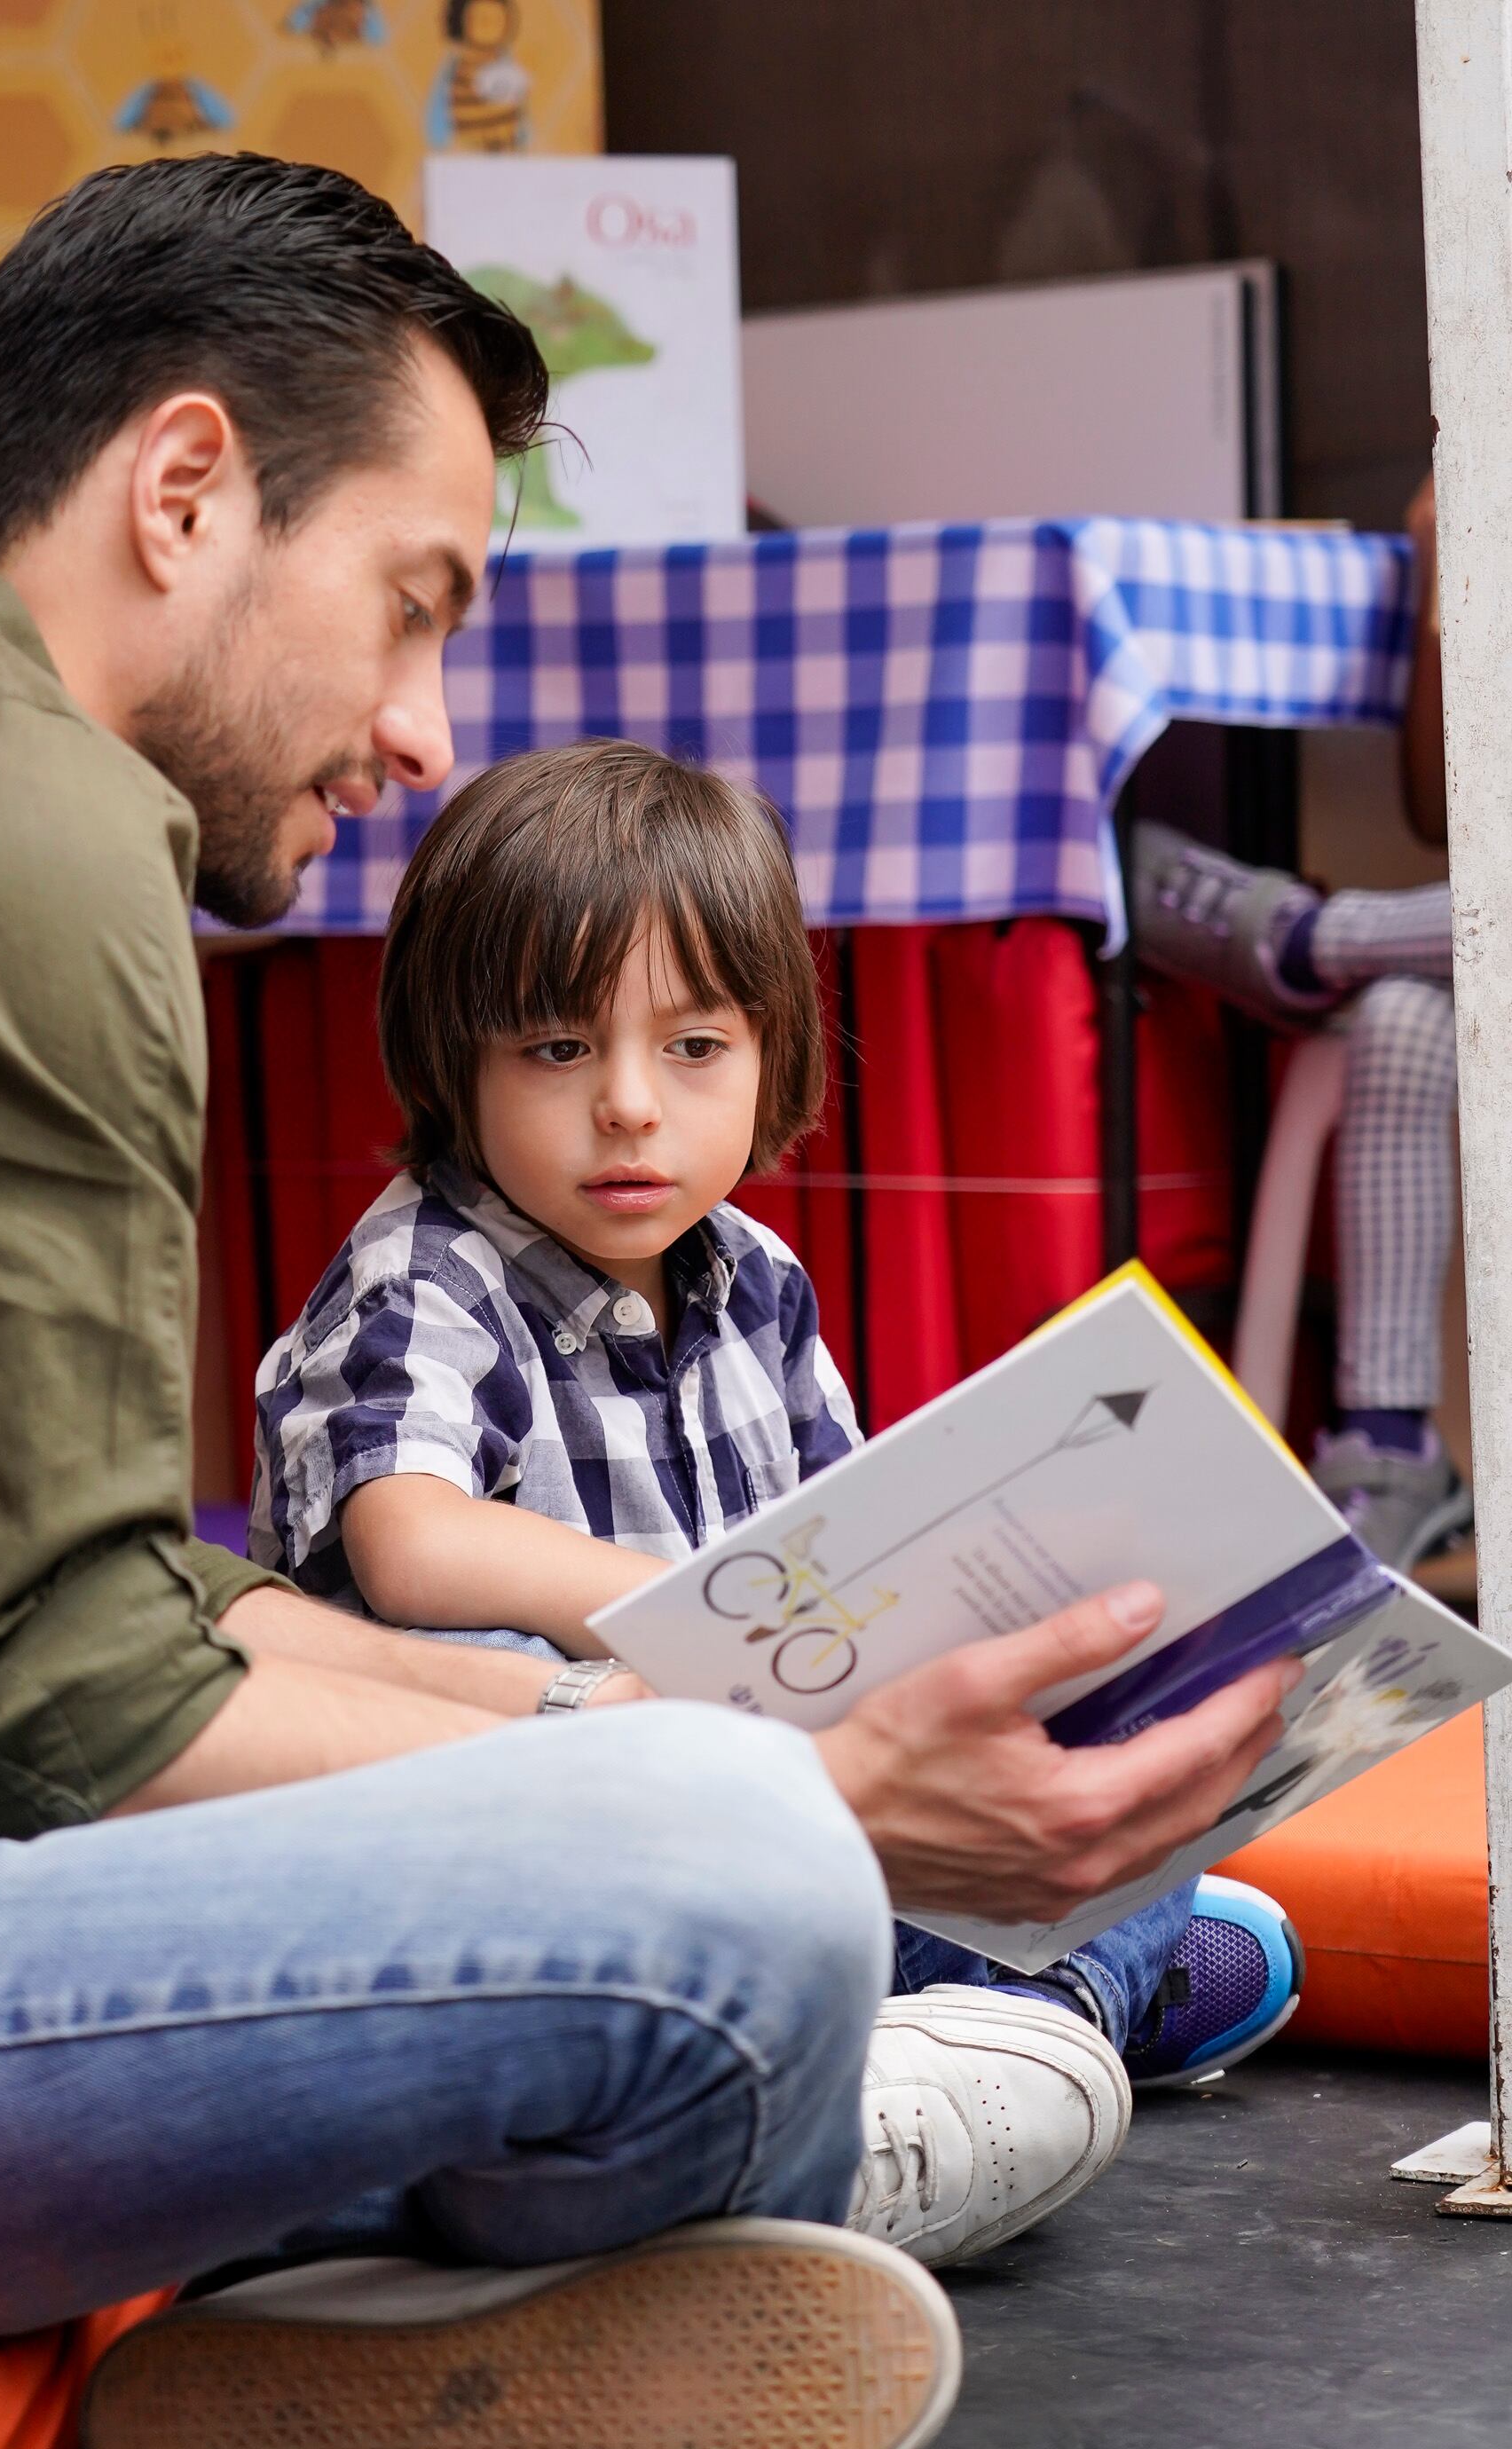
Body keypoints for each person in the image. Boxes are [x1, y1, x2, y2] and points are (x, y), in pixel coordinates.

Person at [0, 155, 1296, 2449]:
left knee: (663, 1778)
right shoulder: (1, 813)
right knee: (740, 1891)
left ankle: (380, 2305)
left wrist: (709, 1723)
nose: (420, 731)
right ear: (185, 490)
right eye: (414, 606)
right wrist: (795, 1792)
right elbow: (85, 1722)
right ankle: (784, 2154)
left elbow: (128, 1624)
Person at [252, 736, 1306, 2156]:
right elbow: (411, 1536)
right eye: (559, 1048)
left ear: (769, 1056)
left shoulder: (755, 1278)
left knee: (1149, 1815)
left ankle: (996, 2017)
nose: (630, 1103)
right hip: (539, 1852)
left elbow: (857, 1548)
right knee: (516, 1681)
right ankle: (1043, 2016)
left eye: (693, 1048)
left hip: (772, 1812)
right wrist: (682, 1623)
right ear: (456, 1063)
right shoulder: (423, 1279)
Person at [1134, 474, 1469, 1573]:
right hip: (1450, 934)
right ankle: (1389, 1440)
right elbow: (1441, 804)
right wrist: (1444, 564)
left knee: (1377, 979)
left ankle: (1310, 942)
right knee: (1405, 1016)